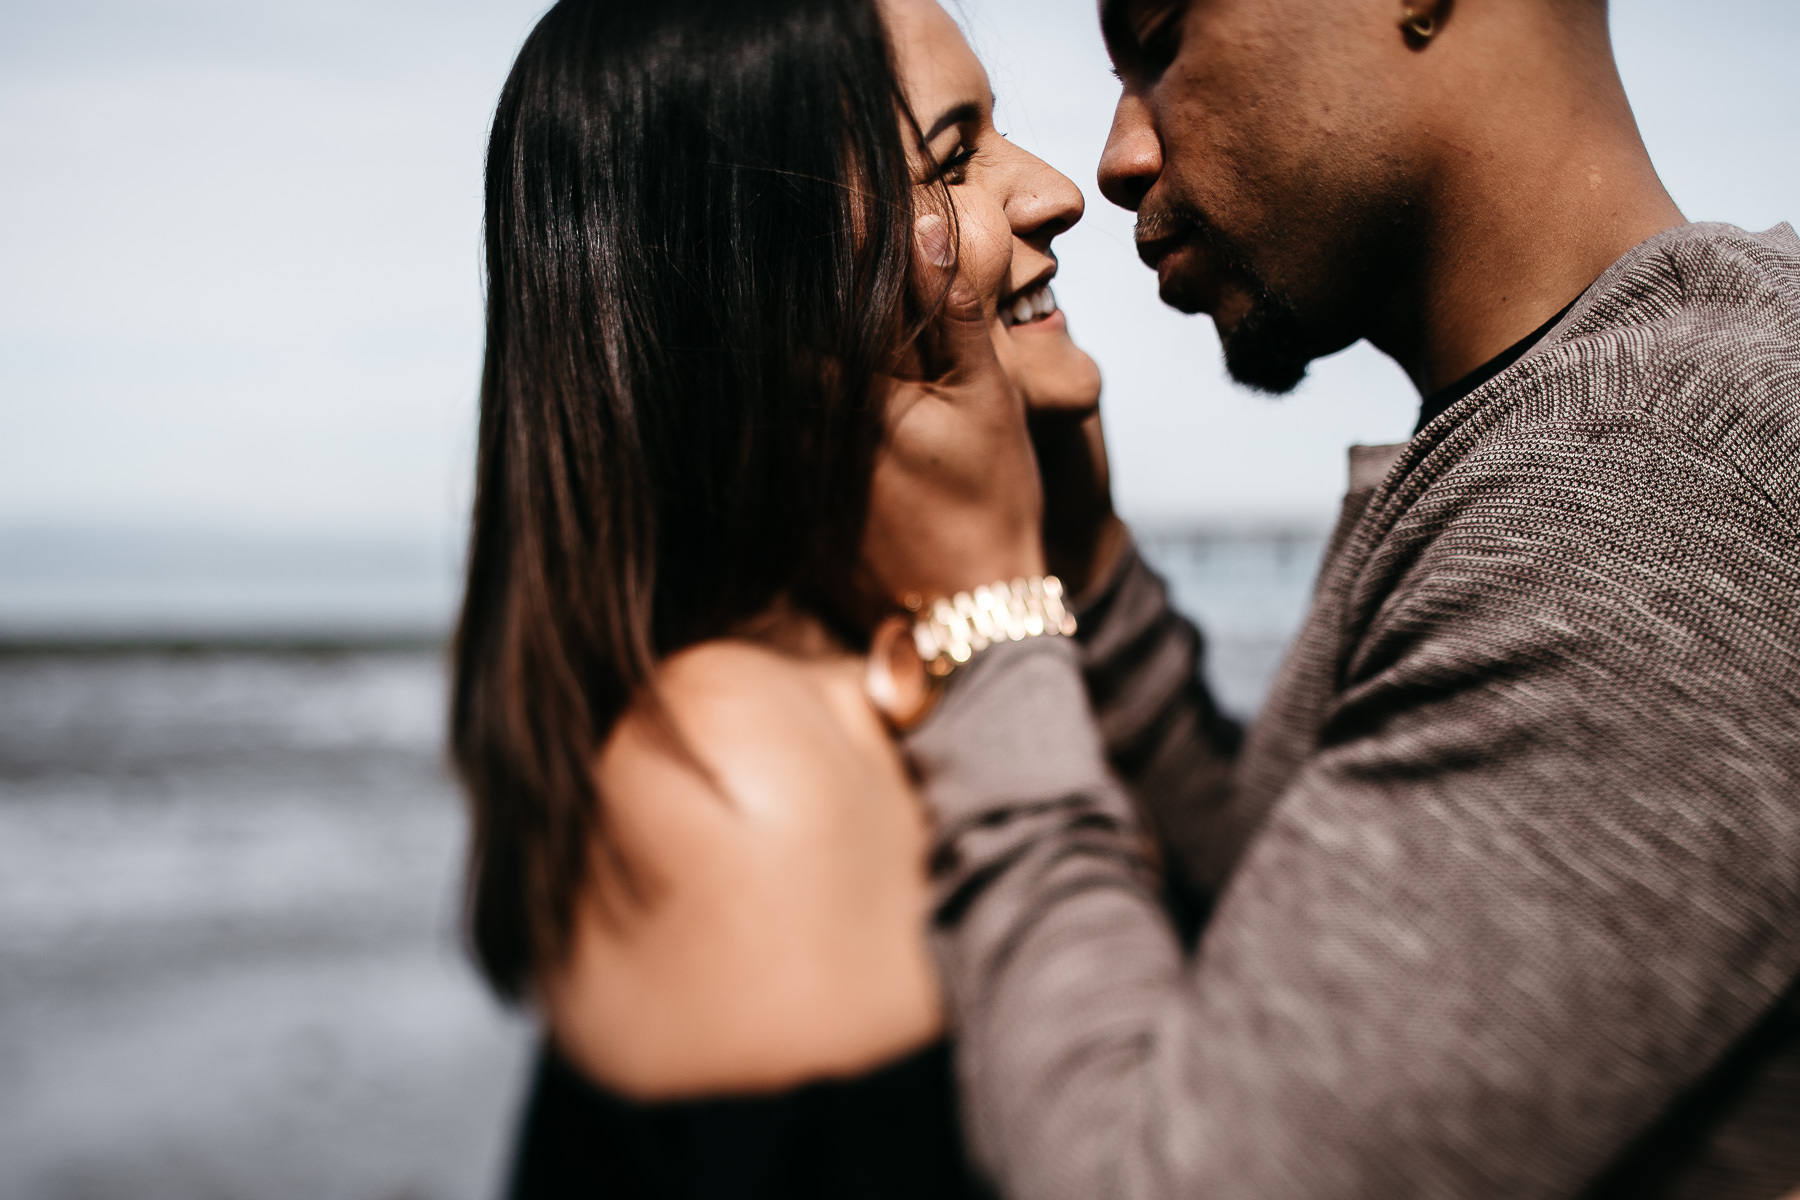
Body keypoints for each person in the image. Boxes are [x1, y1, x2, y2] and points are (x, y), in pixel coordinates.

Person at [869, 0, 1800, 1196]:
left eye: (1161, 40)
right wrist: (1088, 567)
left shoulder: (1655, 494)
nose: (1115, 161)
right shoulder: (1584, 433)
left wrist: (984, 608)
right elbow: (1345, 956)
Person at [447, 0, 1103, 1195]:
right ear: (757, 283)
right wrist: (1005, 606)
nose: (1057, 190)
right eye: (952, 158)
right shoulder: (750, 775)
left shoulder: (880, 666)